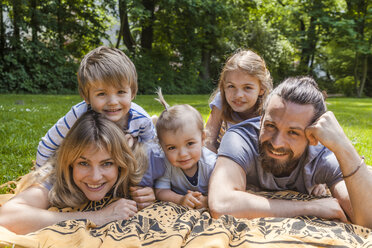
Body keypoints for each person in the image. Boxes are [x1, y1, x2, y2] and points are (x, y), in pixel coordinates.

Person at [208, 76, 355, 223]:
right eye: (271, 126)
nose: (277, 143)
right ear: (261, 120)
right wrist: (309, 207)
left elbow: (365, 216)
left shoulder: (322, 156)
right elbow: (222, 204)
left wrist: (344, 146)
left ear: (312, 137)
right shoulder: (240, 138)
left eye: (293, 132)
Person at [35, 46, 156, 207]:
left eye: (120, 92)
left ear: (132, 92)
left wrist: (152, 186)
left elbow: (154, 151)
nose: (113, 101)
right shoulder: (78, 115)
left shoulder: (140, 119)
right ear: (86, 96)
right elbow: (49, 142)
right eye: (101, 94)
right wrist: (40, 175)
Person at [0, 111, 147, 235]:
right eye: (83, 163)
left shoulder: (136, 163)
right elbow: (7, 216)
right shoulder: (55, 174)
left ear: (120, 164)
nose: (95, 177)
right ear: (70, 164)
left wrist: (153, 192)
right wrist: (99, 216)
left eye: (107, 163)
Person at [154, 89, 217, 209]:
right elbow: (160, 191)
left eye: (190, 144)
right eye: (172, 147)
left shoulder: (211, 164)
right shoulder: (165, 163)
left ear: (203, 139)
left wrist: (207, 200)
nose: (182, 154)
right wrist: (180, 199)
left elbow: (223, 192)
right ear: (162, 147)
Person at [205, 49, 273, 153]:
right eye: (231, 86)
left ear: (261, 89)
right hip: (228, 159)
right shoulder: (222, 99)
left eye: (247, 87)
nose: (238, 95)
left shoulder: (270, 108)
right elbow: (208, 140)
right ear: (223, 86)